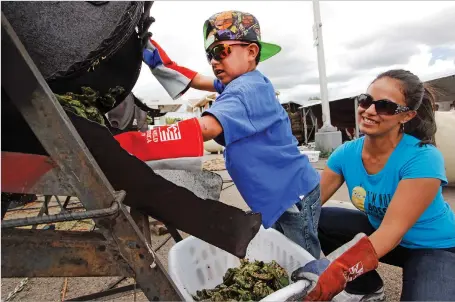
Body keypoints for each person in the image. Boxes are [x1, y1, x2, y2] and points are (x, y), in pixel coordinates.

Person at [141, 10, 322, 258]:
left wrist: (140, 143)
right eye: (209, 55)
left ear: (251, 52)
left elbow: (207, 128)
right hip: (283, 192)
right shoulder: (240, 82)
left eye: (220, 52)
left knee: (302, 259)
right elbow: (196, 80)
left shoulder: (246, 89)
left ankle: (314, 291)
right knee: (285, 252)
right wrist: (157, 59)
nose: (214, 61)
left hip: (291, 196)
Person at [290, 69, 455, 301]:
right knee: (319, 219)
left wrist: (337, 272)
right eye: (365, 100)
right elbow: (306, 205)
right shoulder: (346, 154)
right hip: (383, 236)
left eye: (384, 106)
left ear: (406, 116)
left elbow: (392, 232)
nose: (368, 111)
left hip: (433, 247)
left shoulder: (423, 158)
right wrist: (265, 222)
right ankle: (367, 288)